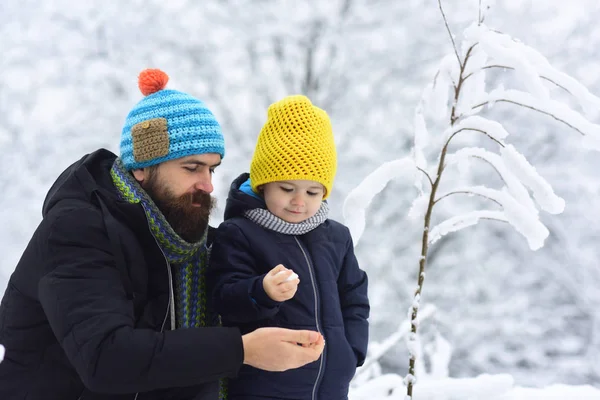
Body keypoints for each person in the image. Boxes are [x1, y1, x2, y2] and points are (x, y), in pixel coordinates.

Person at [0, 69, 324, 400]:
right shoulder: (78, 231)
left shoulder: (195, 243)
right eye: (191, 167)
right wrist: (240, 350)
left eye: (212, 169)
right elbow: (106, 358)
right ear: (141, 167)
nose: (208, 184)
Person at [208, 95, 370, 400]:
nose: (299, 201)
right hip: (264, 387)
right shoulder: (240, 233)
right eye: (286, 188)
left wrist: (352, 351)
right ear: (263, 184)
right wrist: (261, 292)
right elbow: (223, 300)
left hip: (331, 387)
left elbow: (355, 298)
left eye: (312, 191)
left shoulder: (336, 237)